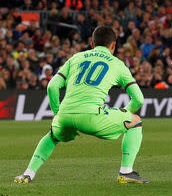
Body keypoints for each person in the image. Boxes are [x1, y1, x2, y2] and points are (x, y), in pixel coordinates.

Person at [14, 26, 149, 183]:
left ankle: (28, 174)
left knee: (52, 136)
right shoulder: (118, 64)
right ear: (113, 45)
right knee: (136, 121)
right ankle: (126, 172)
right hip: (93, 117)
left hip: (65, 114)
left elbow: (52, 86)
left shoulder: (75, 58)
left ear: (92, 44)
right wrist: (126, 112)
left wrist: (57, 113)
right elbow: (139, 99)